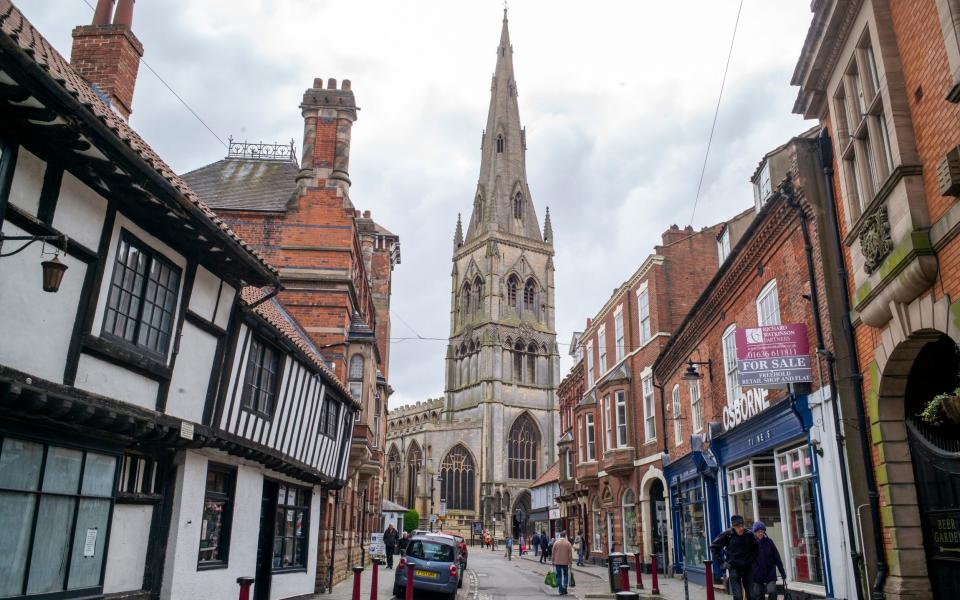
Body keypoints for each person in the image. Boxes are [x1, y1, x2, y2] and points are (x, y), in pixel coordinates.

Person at [710, 515, 758, 600]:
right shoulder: (728, 534)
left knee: (752, 596)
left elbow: (756, 548)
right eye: (738, 526)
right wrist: (722, 562)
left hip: (747, 568)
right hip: (734, 568)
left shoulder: (749, 534)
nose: (741, 528)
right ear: (733, 527)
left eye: (742, 525)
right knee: (738, 597)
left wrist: (752, 560)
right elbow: (714, 547)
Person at [751, 521, 786, 600]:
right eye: (758, 531)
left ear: (764, 531)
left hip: (770, 572)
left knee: (772, 592)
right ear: (755, 532)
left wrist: (782, 571)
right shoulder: (752, 543)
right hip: (757, 574)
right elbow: (748, 559)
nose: (760, 533)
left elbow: (777, 557)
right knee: (758, 596)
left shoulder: (769, 542)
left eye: (762, 531)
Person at [552, 531, 573, 595]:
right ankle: (565, 587)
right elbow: (570, 554)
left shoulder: (556, 543)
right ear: (565, 536)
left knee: (559, 575)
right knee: (565, 574)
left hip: (557, 562)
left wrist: (553, 561)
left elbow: (553, 553)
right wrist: (570, 562)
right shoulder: (568, 543)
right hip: (565, 562)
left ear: (560, 536)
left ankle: (560, 590)